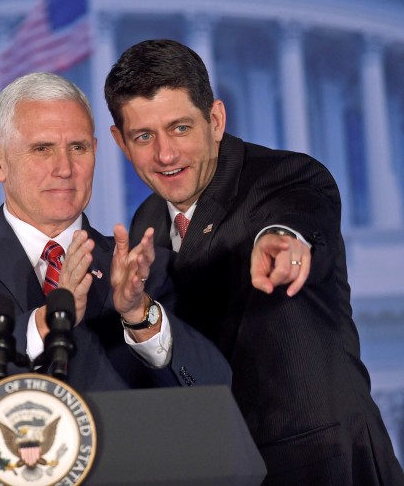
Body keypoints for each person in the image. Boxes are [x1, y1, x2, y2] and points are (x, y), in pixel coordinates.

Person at [104, 39, 404, 485]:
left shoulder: (284, 175)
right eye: (144, 137)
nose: (165, 155)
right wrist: (136, 313)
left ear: (216, 119)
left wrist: (284, 240)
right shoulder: (147, 220)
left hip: (326, 466)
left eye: (181, 128)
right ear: (121, 142)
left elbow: (298, 214)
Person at [0, 71, 230, 403]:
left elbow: (214, 390)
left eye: (78, 147)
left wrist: (140, 315)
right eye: (42, 148)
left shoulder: (149, 271)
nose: (65, 168)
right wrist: (46, 323)